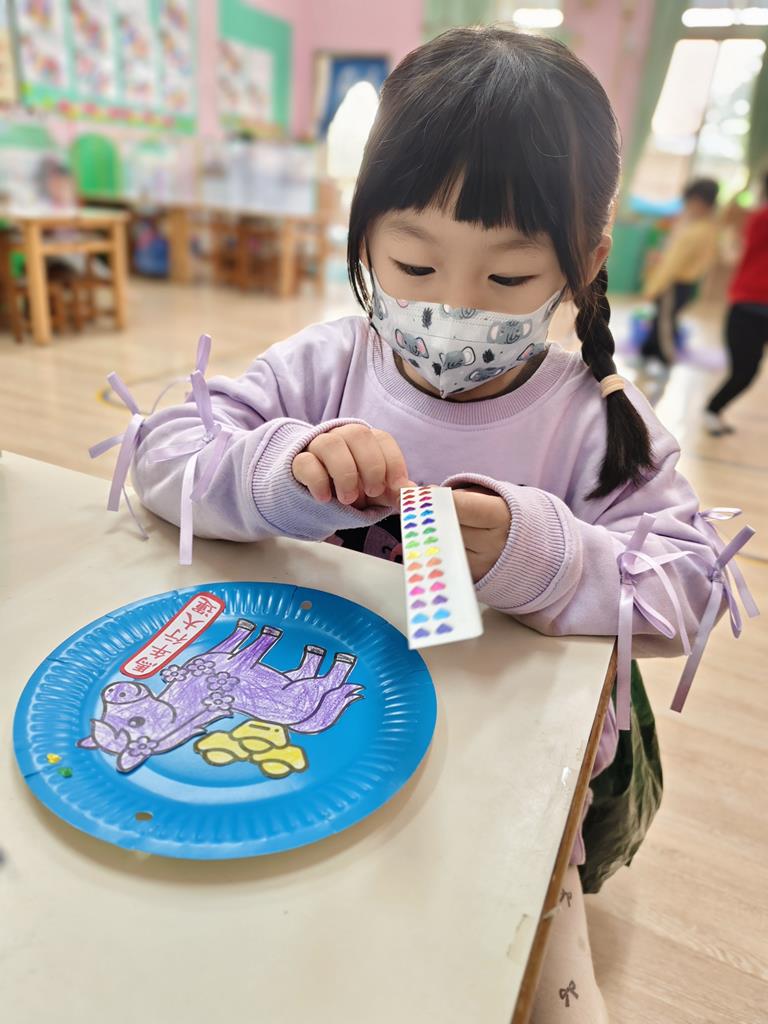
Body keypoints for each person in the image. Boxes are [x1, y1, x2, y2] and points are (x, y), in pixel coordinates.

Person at [116, 29, 754, 1023]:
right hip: (319, 732)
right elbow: (161, 451)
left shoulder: (597, 420)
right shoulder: (327, 365)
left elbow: (693, 590)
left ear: (584, 265)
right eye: (414, 261)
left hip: (510, 779)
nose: (453, 308)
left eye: (508, 280)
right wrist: (281, 470)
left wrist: (538, 550)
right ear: (363, 235)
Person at [705, 176, 768, 435]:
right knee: (744, 372)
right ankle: (712, 409)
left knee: (746, 372)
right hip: (748, 309)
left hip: (754, 308)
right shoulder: (761, 218)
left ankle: (713, 410)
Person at [640, 178, 720, 370]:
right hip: (682, 283)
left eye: (690, 202)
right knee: (661, 320)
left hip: (673, 284)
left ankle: (666, 358)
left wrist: (654, 287)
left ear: (700, 202)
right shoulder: (705, 227)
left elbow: (673, 265)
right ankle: (647, 352)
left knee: (665, 324)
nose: (687, 207)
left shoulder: (696, 231)